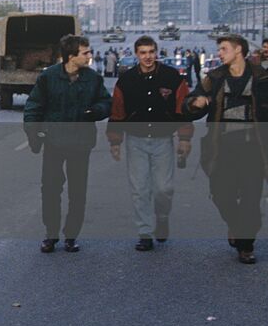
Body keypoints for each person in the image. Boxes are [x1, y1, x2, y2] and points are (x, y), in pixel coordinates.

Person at [24, 34, 112, 253]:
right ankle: (51, 234)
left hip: (81, 143)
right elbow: (33, 107)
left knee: (78, 191)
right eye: (86, 52)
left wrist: (96, 111)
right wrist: (34, 135)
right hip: (54, 142)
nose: (90, 56)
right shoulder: (49, 77)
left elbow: (106, 101)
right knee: (51, 190)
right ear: (71, 56)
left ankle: (71, 235)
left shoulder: (92, 78)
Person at [185, 33, 268, 264]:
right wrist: (196, 103)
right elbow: (191, 102)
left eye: (223, 48)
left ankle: (246, 245)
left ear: (238, 50)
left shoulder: (262, 77)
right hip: (222, 147)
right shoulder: (214, 77)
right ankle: (235, 225)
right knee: (222, 195)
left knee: (251, 198)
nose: (219, 53)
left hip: (254, 147)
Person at [106, 35, 193, 251]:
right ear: (136, 54)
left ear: (157, 53)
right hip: (136, 140)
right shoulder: (126, 81)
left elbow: (183, 108)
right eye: (143, 53)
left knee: (164, 188)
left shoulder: (172, 77)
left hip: (163, 140)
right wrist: (115, 141)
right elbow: (117, 110)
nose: (148, 57)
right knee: (140, 189)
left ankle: (162, 217)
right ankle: (144, 232)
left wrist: (184, 139)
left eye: (151, 52)